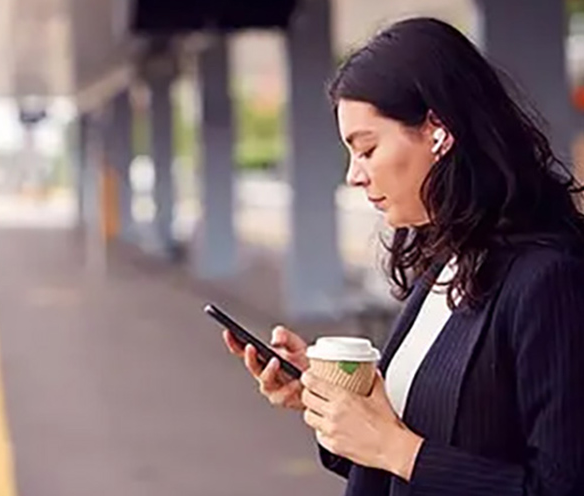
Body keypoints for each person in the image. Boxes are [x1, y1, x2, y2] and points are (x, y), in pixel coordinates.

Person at [223, 17, 584, 496]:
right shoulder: (447, 263)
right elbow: (416, 434)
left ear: (438, 129)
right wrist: (332, 395)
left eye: (367, 149)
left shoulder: (549, 280)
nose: (354, 175)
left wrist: (395, 449)